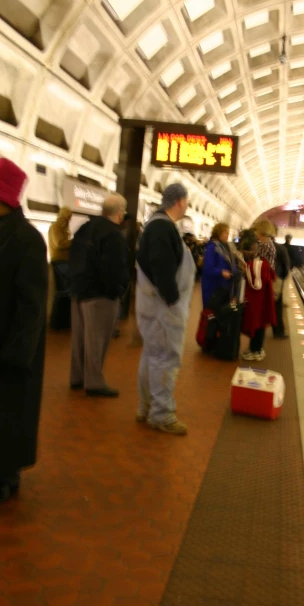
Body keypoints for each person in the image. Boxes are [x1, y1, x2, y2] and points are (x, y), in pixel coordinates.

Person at [0, 158, 48, 506]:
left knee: (3, 413)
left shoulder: (27, 240)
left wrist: (18, 354)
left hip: (4, 346)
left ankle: (6, 477)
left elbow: (31, 305)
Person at [135, 183, 195, 435]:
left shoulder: (158, 225)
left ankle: (147, 406)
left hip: (158, 306)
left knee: (152, 355)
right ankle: (161, 413)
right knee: (165, 358)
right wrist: (171, 300)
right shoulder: (161, 228)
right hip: (163, 308)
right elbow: (161, 266)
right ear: (179, 201)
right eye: (187, 201)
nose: (189, 205)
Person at [69, 194, 129, 397]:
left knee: (80, 338)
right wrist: (117, 290)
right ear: (120, 212)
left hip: (79, 290)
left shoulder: (85, 228)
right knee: (97, 340)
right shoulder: (113, 234)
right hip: (100, 295)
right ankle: (94, 381)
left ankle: (77, 377)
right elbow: (113, 268)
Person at [240, 232, 276, 361]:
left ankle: (256, 350)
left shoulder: (255, 265)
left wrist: (245, 268)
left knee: (256, 323)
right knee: (260, 324)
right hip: (263, 299)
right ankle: (257, 349)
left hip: (256, 300)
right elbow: (270, 278)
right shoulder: (265, 265)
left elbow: (253, 281)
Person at [201, 222, 237, 309]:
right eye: (225, 233)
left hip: (225, 286)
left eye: (228, 233)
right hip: (214, 287)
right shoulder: (212, 247)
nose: (227, 235)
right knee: (214, 314)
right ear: (218, 233)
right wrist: (221, 272)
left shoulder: (227, 247)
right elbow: (207, 268)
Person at [271, 231, 291, 339]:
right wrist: (281, 279)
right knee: (277, 307)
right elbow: (286, 266)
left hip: (264, 280)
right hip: (276, 280)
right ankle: (278, 331)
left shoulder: (260, 247)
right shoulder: (280, 248)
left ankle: (258, 331)